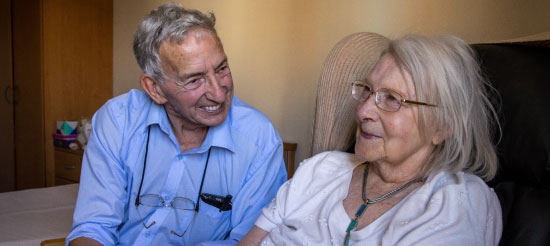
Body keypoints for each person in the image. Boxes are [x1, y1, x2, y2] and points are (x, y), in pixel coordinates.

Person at [239, 34, 502, 245]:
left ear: (443, 126)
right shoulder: (320, 169)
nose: (363, 111)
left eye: (392, 99)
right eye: (367, 90)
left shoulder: (457, 201)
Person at [67, 3, 286, 245]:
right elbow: (93, 227)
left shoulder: (259, 139)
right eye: (194, 80)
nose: (219, 93)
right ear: (155, 89)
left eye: (222, 68)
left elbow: (252, 240)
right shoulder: (117, 121)